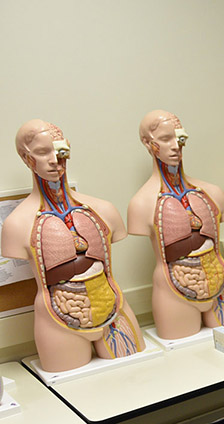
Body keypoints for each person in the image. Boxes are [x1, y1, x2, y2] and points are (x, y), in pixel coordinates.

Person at [2, 119, 144, 372]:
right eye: (43, 152)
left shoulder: (103, 209)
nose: (55, 159)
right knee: (77, 391)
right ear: (26, 158)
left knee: (136, 376)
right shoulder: (16, 224)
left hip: (114, 312)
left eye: (59, 150)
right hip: (56, 323)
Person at [129, 110, 224, 340]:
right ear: (147, 142)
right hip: (172, 293)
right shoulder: (141, 203)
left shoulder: (212, 193)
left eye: (179, 139)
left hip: (221, 285)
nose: (175, 146)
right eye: (165, 139)